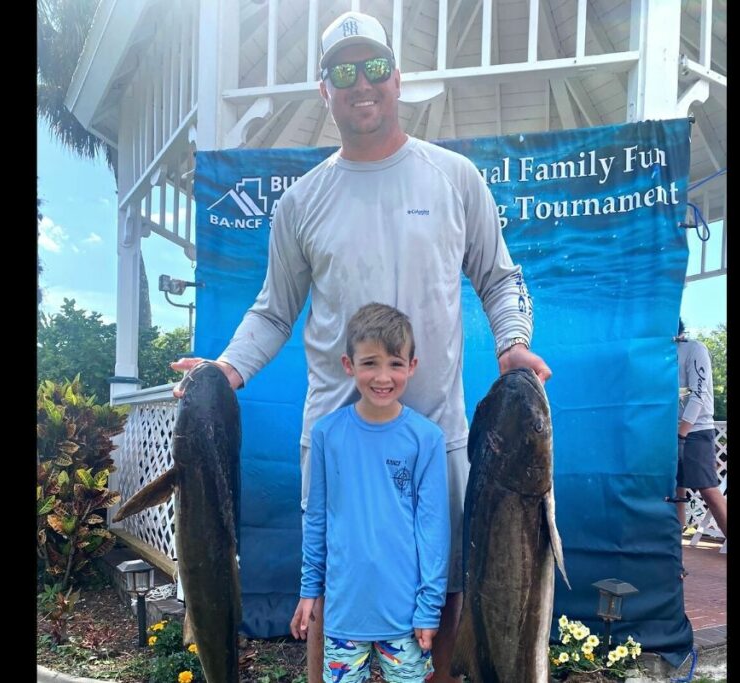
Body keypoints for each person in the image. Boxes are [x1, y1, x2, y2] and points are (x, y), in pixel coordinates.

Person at [172, 10, 551, 682]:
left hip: (436, 435)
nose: (361, 83)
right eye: (342, 72)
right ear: (325, 90)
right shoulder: (301, 202)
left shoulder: (455, 177)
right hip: (336, 441)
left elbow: (501, 278)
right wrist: (225, 369)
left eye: (373, 66)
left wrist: (512, 344)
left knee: (442, 598)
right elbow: (272, 311)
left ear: (397, 77)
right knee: (332, 600)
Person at [289, 303, 449, 683]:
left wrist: (429, 606)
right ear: (349, 365)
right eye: (370, 363)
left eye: (395, 363)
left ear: (412, 365)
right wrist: (309, 590)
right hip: (344, 615)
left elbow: (433, 530)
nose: (382, 376)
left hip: (405, 617)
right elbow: (317, 518)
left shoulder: (426, 438)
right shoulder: (327, 434)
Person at [675, 319, 727, 542]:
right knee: (675, 488)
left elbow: (699, 394)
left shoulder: (694, 348)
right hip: (667, 431)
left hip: (696, 430)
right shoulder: (659, 355)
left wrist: (682, 433)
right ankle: (675, 549)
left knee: (708, 489)